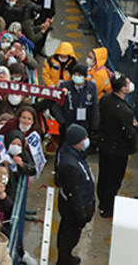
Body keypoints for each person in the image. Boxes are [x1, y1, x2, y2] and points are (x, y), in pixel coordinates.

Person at [97, 76, 138, 218]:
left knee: (104, 175)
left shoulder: (106, 98)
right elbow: (129, 133)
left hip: (105, 145)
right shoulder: (124, 111)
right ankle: (107, 208)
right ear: (123, 88)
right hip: (118, 150)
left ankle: (102, 202)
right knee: (113, 180)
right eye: (127, 83)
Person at [55, 124, 95, 265]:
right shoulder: (69, 166)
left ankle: (66, 256)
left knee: (68, 235)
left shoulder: (71, 153)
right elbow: (74, 194)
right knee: (69, 237)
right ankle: (64, 260)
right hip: (73, 210)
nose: (86, 140)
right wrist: (82, 215)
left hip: (75, 205)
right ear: (75, 142)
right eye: (83, 138)